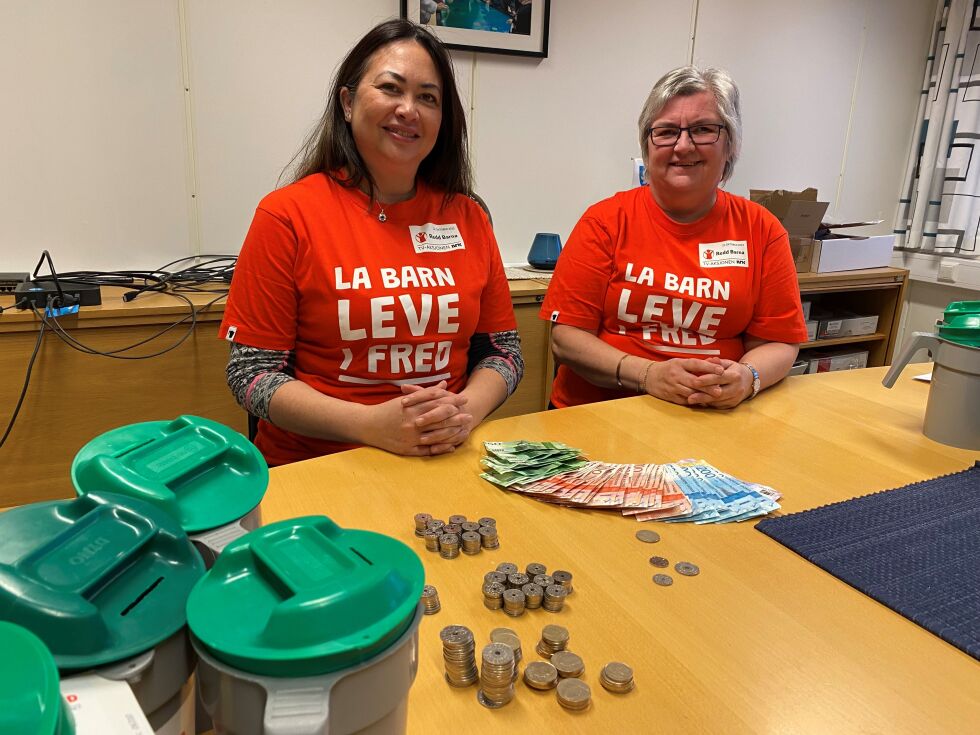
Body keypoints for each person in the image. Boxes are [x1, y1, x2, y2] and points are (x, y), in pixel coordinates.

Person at [220, 19, 523, 466]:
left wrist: (466, 410)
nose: (408, 109)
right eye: (390, 88)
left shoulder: (469, 218)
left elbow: (504, 353)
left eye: (428, 98)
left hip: (444, 456)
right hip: (318, 466)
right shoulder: (287, 215)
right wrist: (368, 425)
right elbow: (251, 374)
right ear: (347, 102)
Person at [540, 66, 807, 410]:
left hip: (715, 417)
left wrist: (747, 377)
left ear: (731, 145)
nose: (683, 145)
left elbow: (779, 342)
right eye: (666, 132)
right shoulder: (604, 222)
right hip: (602, 414)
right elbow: (566, 339)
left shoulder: (762, 230)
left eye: (703, 129)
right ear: (647, 147)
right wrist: (648, 375)